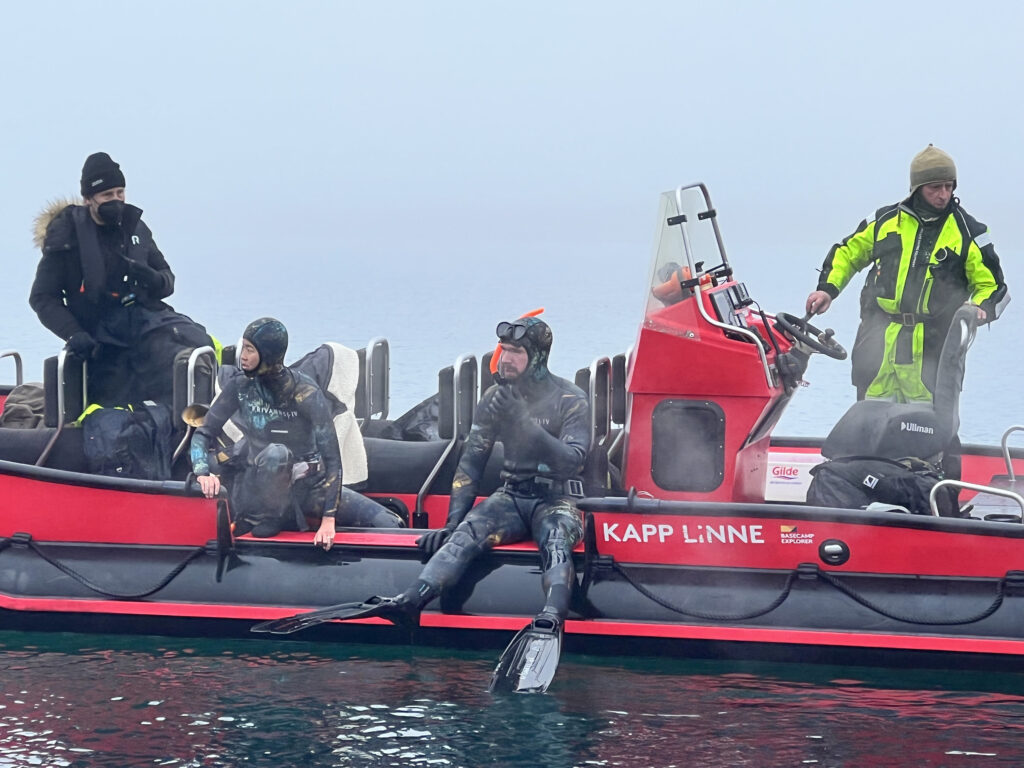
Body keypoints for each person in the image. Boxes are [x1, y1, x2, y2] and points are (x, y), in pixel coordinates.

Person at [255, 316, 591, 691]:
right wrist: (451, 523)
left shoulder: (570, 399)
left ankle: (550, 617)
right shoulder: (495, 401)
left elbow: (573, 460)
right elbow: (471, 463)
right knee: (464, 537)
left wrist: (526, 425)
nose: (506, 359)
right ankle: (410, 600)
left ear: (539, 356)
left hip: (556, 498)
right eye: (505, 350)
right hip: (512, 495)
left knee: (557, 541)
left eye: (516, 352)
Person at [805, 144, 1008, 403]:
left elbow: (993, 286)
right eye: (935, 187)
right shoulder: (884, 221)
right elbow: (848, 253)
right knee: (869, 425)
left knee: (929, 430)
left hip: (933, 349)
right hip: (878, 341)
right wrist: (827, 289)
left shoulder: (970, 232)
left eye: (948, 186)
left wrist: (981, 307)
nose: (943, 194)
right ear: (917, 188)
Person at [190, 317, 403, 546]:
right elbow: (203, 433)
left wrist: (328, 519)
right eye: (244, 347)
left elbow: (332, 460)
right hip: (259, 486)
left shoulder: (305, 393)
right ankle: (263, 518)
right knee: (276, 453)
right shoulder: (240, 386)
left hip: (307, 487)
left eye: (250, 350)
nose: (243, 356)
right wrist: (202, 471)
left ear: (269, 353)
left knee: (391, 523)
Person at [30, 152, 214, 408]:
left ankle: (200, 421)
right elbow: (42, 297)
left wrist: (151, 278)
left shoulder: (136, 228)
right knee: (122, 388)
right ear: (88, 199)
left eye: (120, 192)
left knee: (198, 341)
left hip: (144, 322)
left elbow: (167, 281)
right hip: (100, 337)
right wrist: (74, 334)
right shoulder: (67, 238)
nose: (116, 200)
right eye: (107, 195)